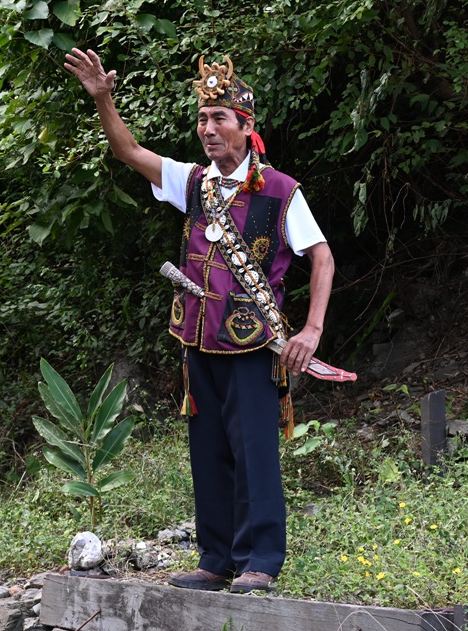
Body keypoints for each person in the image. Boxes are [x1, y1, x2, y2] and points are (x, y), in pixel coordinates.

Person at [64, 48, 335, 593]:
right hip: (198, 342)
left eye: (219, 119)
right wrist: (104, 99)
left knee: (254, 451)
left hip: (256, 345)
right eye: (202, 120)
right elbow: (128, 150)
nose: (208, 130)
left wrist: (310, 331)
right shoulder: (191, 182)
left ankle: (261, 560)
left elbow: (322, 258)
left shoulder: (281, 190)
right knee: (207, 452)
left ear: (246, 126)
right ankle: (215, 561)